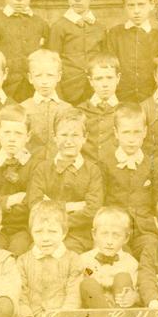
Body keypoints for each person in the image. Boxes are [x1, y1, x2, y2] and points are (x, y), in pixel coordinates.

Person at [7, 200, 83, 317]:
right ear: (31, 232)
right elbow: (21, 296)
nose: (45, 238)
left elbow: (73, 298)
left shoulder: (73, 259)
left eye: (52, 231)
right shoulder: (23, 261)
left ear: (64, 233)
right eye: (39, 231)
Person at [26, 108, 104, 253]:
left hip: (79, 236)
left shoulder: (93, 171)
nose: (69, 141)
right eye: (63, 135)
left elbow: (92, 210)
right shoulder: (42, 169)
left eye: (75, 135)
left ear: (85, 137)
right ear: (54, 137)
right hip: (46, 233)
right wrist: (72, 206)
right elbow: (35, 206)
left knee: (70, 255)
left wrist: (51, 206)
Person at [99, 103, 158, 258]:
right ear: (116, 133)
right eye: (126, 132)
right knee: (118, 256)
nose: (131, 139)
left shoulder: (152, 164)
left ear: (145, 132)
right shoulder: (105, 163)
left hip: (144, 229)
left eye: (137, 133)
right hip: (114, 229)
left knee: (151, 250)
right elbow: (100, 202)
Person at [0, 104, 42, 256]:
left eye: (18, 134)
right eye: (7, 133)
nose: (12, 139)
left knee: (17, 253)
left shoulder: (35, 165)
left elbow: (30, 203)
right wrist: (10, 200)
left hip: (22, 228)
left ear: (28, 136)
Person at [48, 0, 106, 105]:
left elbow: (104, 62)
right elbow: (52, 65)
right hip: (68, 93)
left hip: (94, 93)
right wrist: (60, 99)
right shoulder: (59, 27)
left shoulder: (100, 28)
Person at [106, 0, 158, 102]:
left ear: (152, 4)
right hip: (121, 99)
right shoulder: (115, 34)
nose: (136, 11)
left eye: (141, 5)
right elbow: (110, 67)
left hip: (151, 99)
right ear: (124, 6)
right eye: (131, 5)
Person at [79, 207, 140, 308]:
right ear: (94, 234)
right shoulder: (85, 260)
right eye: (104, 234)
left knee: (123, 277)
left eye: (116, 235)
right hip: (94, 314)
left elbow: (137, 290)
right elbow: (88, 275)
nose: (109, 241)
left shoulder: (130, 262)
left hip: (121, 312)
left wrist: (134, 297)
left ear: (126, 238)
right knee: (89, 283)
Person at [19, 49, 72, 159]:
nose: (44, 81)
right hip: (30, 168)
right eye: (38, 76)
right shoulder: (22, 108)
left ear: (59, 77)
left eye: (50, 75)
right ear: (30, 78)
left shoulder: (67, 109)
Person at [77, 53, 121, 164]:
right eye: (99, 79)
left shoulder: (124, 110)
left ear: (118, 78)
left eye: (109, 78)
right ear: (91, 81)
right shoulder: (80, 111)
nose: (104, 84)